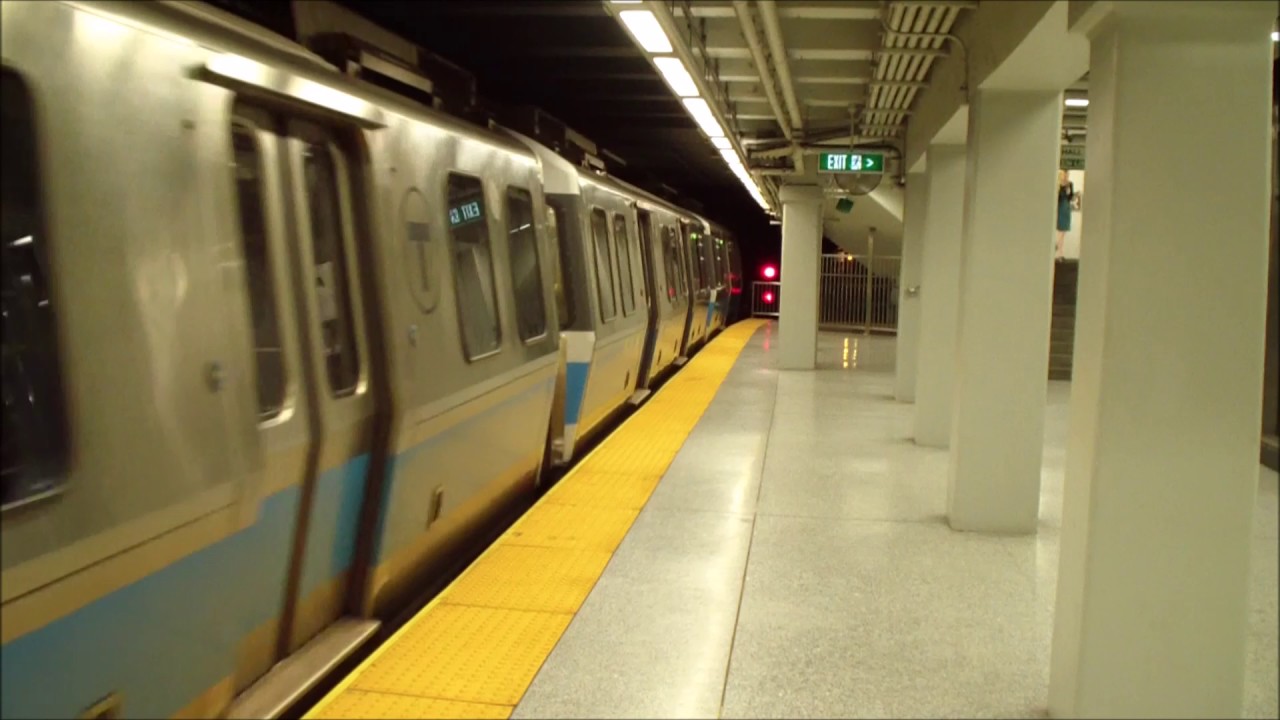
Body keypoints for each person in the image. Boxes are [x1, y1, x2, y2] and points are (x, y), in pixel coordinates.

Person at [1056, 169, 1074, 261]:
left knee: (1063, 232)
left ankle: (1060, 252)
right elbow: (1057, 197)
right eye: (1065, 174)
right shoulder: (1057, 184)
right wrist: (1061, 189)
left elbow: (1071, 196)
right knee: (1060, 231)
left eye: (1068, 174)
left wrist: (1069, 192)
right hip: (1060, 207)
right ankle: (1058, 250)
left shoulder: (1070, 184)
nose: (1066, 176)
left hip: (1066, 207)